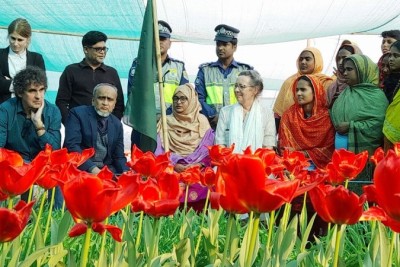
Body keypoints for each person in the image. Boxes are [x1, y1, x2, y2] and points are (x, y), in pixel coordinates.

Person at [0, 66, 62, 204]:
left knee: (59, 168)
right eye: (32, 91)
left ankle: (54, 215)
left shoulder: (53, 111)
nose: (38, 96)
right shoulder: (6, 109)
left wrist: (39, 125)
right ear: (20, 93)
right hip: (15, 162)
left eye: (41, 90)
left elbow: (55, 149)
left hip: (40, 163)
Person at [127, 20, 189, 146]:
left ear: (170, 43)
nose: (159, 41)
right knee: (142, 162)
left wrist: (165, 117)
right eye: (155, 38)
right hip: (144, 125)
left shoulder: (179, 67)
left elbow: (185, 96)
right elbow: (133, 94)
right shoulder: (139, 64)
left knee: (167, 163)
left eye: (163, 38)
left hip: (171, 124)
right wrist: (149, 116)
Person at [330, 55, 388, 190]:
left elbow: (378, 126)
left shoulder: (376, 97)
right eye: (344, 69)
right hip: (340, 157)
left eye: (349, 69)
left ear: (362, 71)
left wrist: (351, 126)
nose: (345, 73)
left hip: (363, 161)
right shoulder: (345, 93)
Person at [155, 83, 214, 212]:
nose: (178, 102)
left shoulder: (202, 121)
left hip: (197, 168)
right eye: (175, 98)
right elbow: (159, 151)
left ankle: (198, 220)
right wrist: (174, 165)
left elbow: (208, 150)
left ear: (192, 100)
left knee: (205, 183)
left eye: (183, 98)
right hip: (172, 167)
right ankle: (169, 220)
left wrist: (197, 165)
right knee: (165, 182)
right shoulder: (165, 121)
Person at [56, 31, 124, 124]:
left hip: (106, 129)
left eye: (104, 49)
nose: (102, 52)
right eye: (98, 49)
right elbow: (61, 102)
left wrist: (113, 125)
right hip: (78, 128)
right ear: (86, 49)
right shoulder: (71, 71)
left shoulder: (112, 73)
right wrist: (71, 124)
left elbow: (119, 104)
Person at [195, 24, 253, 129]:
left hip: (240, 124)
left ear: (234, 47)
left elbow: (251, 97)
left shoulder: (245, 71)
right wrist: (213, 115)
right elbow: (199, 98)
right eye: (218, 44)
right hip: (211, 126)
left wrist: (237, 115)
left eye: (225, 44)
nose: (220, 48)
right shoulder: (205, 70)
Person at [64, 83, 128, 175]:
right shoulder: (77, 114)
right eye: (101, 98)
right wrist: (93, 169)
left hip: (106, 171)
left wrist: (125, 172)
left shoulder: (117, 124)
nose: (105, 103)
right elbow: (72, 146)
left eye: (110, 99)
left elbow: (119, 156)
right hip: (80, 170)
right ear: (93, 100)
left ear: (114, 104)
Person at [279, 75, 335, 170]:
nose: (298, 93)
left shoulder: (326, 117)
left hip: (322, 168)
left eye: (303, 90)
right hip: (294, 166)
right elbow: (285, 148)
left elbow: (329, 148)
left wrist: (303, 153)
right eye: (296, 90)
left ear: (315, 92)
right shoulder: (289, 115)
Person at [215, 70, 275, 153]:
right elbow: (220, 144)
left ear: (255, 90)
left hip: (257, 163)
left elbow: (268, 147)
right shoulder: (225, 112)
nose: (236, 90)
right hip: (229, 163)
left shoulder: (267, 114)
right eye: (235, 86)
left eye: (241, 86)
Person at [273, 47, 333, 131]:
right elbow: (278, 114)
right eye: (301, 59)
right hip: (292, 130)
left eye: (307, 59)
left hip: (320, 130)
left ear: (317, 61)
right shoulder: (289, 82)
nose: (303, 62)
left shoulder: (326, 82)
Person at [0, 18, 45, 103]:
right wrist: (26, 85)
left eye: (20, 40)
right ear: (8, 35)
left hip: (27, 110)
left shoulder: (37, 59)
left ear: (28, 39)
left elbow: (39, 86)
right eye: (13, 38)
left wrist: (7, 83)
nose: (15, 43)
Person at [327, 41, 363, 108]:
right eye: (338, 58)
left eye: (344, 58)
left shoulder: (363, 86)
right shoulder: (332, 88)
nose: (340, 62)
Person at [383, 40, 400, 151]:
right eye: (390, 55)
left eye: (396, 56)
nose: (391, 59)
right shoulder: (388, 79)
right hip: (388, 134)